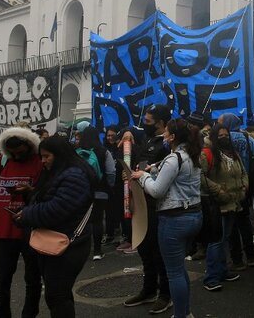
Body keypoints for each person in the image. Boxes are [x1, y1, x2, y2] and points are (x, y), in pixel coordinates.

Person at [132, 118, 204, 318]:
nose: (163, 135)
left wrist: (143, 177)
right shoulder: (191, 154)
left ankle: (181, 314)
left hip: (174, 220)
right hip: (194, 216)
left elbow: (156, 191)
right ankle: (185, 312)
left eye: (166, 132)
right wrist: (154, 169)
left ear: (172, 137)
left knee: (174, 272)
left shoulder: (174, 158)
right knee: (179, 269)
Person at [17, 136, 96, 318]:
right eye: (41, 157)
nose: (43, 161)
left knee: (57, 295)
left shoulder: (75, 175)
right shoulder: (61, 171)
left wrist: (27, 214)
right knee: (59, 294)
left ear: (59, 154)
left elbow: (57, 209)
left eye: (47, 156)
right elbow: (50, 198)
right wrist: (31, 193)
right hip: (58, 240)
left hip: (68, 245)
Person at [0, 126, 44, 318]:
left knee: (33, 277)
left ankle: (29, 314)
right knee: (2, 280)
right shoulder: (2, 163)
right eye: (13, 153)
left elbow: (45, 196)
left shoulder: (40, 163)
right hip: (4, 231)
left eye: (20, 153)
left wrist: (29, 191)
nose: (17, 156)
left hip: (30, 229)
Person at [124, 105, 174, 313]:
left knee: (158, 251)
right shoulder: (148, 141)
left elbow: (163, 174)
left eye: (149, 121)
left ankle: (166, 293)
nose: (144, 124)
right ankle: (149, 288)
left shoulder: (167, 145)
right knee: (144, 248)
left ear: (162, 124)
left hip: (156, 204)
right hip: (141, 200)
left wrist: (142, 176)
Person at [202, 123, 249, 291]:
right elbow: (200, 176)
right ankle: (211, 277)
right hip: (218, 204)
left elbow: (243, 172)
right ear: (214, 137)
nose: (224, 138)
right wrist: (218, 191)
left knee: (224, 239)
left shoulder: (233, 153)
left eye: (226, 135)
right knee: (216, 241)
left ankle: (222, 271)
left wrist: (244, 186)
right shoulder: (207, 153)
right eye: (220, 135)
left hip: (234, 202)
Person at [219, 113, 254, 271]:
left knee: (231, 224)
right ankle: (251, 256)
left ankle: (237, 260)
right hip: (246, 185)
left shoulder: (224, 139)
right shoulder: (249, 139)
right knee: (245, 222)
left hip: (229, 187)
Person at [77, 126, 116, 260]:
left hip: (81, 191)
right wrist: (109, 186)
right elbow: (111, 171)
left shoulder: (77, 151)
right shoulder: (103, 151)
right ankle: (97, 251)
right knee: (98, 220)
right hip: (100, 190)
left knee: (82, 220)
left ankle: (81, 249)